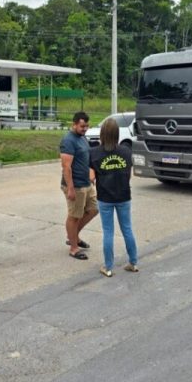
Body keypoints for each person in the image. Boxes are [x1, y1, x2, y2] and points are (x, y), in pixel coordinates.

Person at [89, 118, 138, 277]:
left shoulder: (94, 153)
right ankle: (133, 263)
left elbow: (91, 178)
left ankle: (108, 267)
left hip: (105, 197)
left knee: (108, 231)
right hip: (124, 195)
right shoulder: (126, 151)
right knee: (127, 229)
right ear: (117, 134)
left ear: (102, 134)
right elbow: (128, 175)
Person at [60, 111, 99, 260]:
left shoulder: (82, 138)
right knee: (74, 216)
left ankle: (73, 236)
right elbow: (66, 167)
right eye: (82, 126)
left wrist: (91, 173)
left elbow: (87, 157)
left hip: (86, 183)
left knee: (94, 210)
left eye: (87, 126)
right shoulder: (68, 140)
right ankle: (74, 248)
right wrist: (70, 188)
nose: (85, 129)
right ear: (74, 124)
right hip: (75, 185)